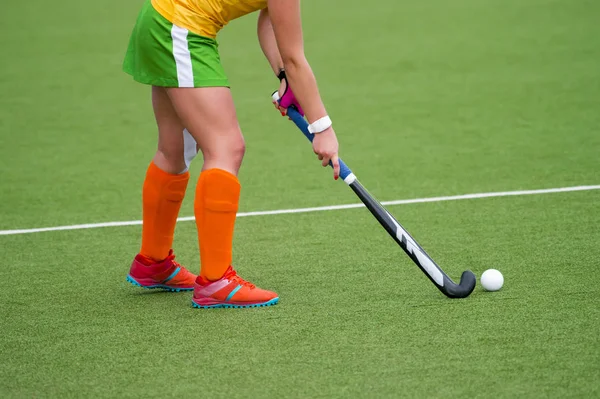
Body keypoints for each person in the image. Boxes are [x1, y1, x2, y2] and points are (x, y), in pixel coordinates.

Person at [123, 0, 340, 309]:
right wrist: (322, 129)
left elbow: (271, 19)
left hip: (160, 19)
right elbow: (294, 56)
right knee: (226, 147)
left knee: (175, 149)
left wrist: (283, 76)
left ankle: (153, 262)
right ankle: (216, 281)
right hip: (181, 29)